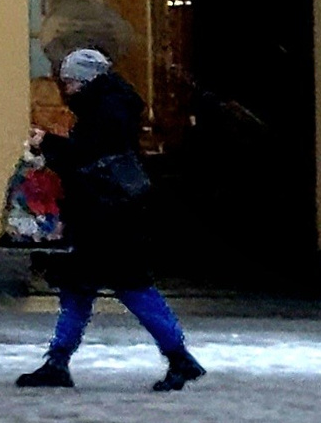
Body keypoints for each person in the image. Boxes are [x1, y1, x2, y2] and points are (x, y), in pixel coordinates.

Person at [15, 45, 207, 390]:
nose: (67, 89)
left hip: (107, 218)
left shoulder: (107, 111)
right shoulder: (111, 105)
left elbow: (87, 155)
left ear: (86, 81)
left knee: (127, 287)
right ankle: (58, 360)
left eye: (70, 82)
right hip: (106, 215)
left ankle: (179, 357)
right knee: (85, 288)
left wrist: (49, 144)